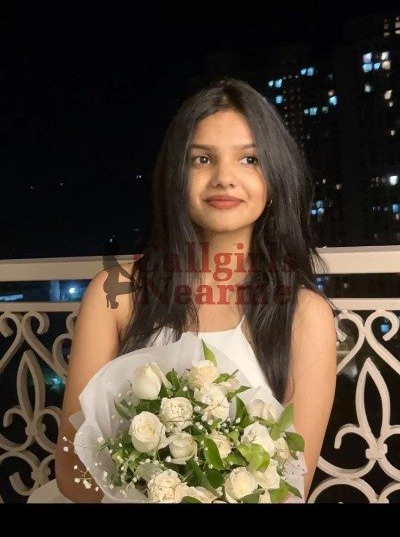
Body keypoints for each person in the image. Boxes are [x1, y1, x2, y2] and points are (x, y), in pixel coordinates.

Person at [29, 78, 338, 503]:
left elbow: (291, 484)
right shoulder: (116, 294)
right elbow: (72, 467)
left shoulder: (305, 313)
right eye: (202, 159)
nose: (225, 178)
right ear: (175, 176)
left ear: (276, 179)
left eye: (249, 159)